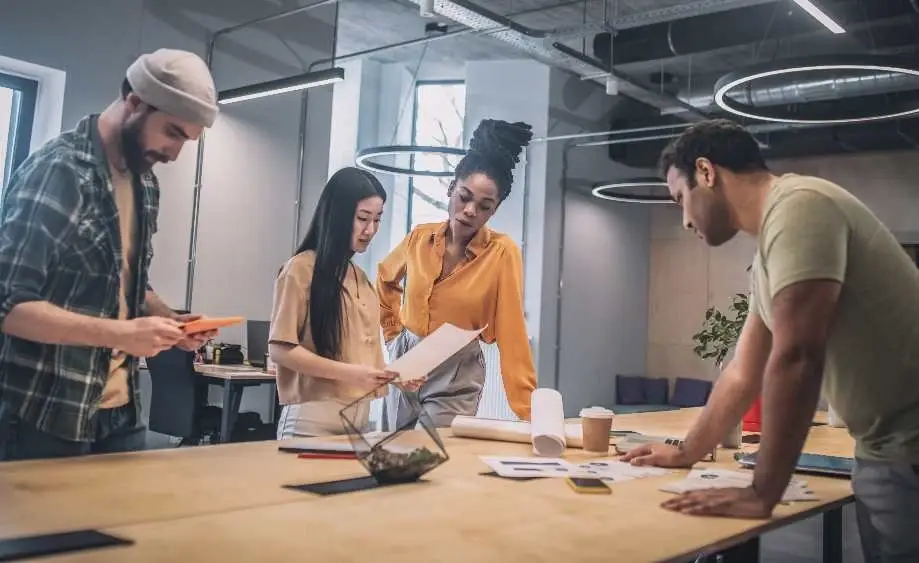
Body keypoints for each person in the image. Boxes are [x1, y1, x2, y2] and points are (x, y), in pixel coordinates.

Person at [622, 119, 919, 562]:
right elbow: (744, 371)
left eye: (680, 199)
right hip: (886, 451)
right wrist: (685, 452)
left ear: (706, 172)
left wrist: (762, 492)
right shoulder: (770, 252)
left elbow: (797, 357)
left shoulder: (801, 207)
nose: (684, 220)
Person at [0, 49, 220, 461]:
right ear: (133, 102)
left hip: (119, 412)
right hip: (44, 413)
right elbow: (9, 305)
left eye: (187, 141)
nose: (175, 153)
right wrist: (121, 333)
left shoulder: (144, 184)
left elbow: (126, 283)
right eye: (171, 132)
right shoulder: (60, 171)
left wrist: (171, 322)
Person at [377, 119, 537, 430]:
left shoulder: (502, 253)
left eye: (484, 206)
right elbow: (385, 279)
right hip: (406, 359)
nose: (470, 210)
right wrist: (394, 336)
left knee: (430, 457)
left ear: (494, 210)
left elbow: (512, 331)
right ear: (452, 188)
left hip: (456, 369)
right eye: (464, 197)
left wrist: (528, 412)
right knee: (392, 453)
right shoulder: (419, 238)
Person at [269, 167, 423, 439]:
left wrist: (394, 376)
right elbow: (281, 350)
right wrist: (352, 374)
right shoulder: (300, 269)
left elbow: (356, 358)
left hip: (357, 423)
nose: (371, 229)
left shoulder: (360, 278)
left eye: (377, 219)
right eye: (363, 218)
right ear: (337, 217)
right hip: (310, 420)